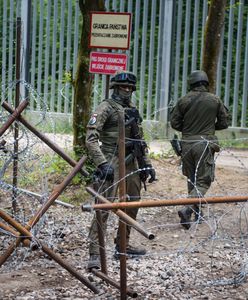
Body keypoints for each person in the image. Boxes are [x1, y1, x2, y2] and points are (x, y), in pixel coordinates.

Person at [85, 70, 156, 269]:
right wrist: (102, 163)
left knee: (133, 204)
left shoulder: (132, 109)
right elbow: (90, 138)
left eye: (129, 88)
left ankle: (122, 245)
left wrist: (147, 164)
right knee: (104, 206)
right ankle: (94, 252)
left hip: (132, 160)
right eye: (123, 87)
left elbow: (140, 140)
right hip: (111, 158)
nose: (126, 90)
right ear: (115, 87)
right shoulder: (105, 108)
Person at [170, 70, 229, 229]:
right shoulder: (215, 100)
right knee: (204, 180)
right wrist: (210, 127)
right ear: (206, 83)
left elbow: (174, 123)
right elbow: (224, 123)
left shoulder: (183, 100)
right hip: (204, 143)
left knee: (192, 178)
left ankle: (197, 213)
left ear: (191, 83)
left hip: (187, 144)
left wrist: (188, 129)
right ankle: (188, 209)